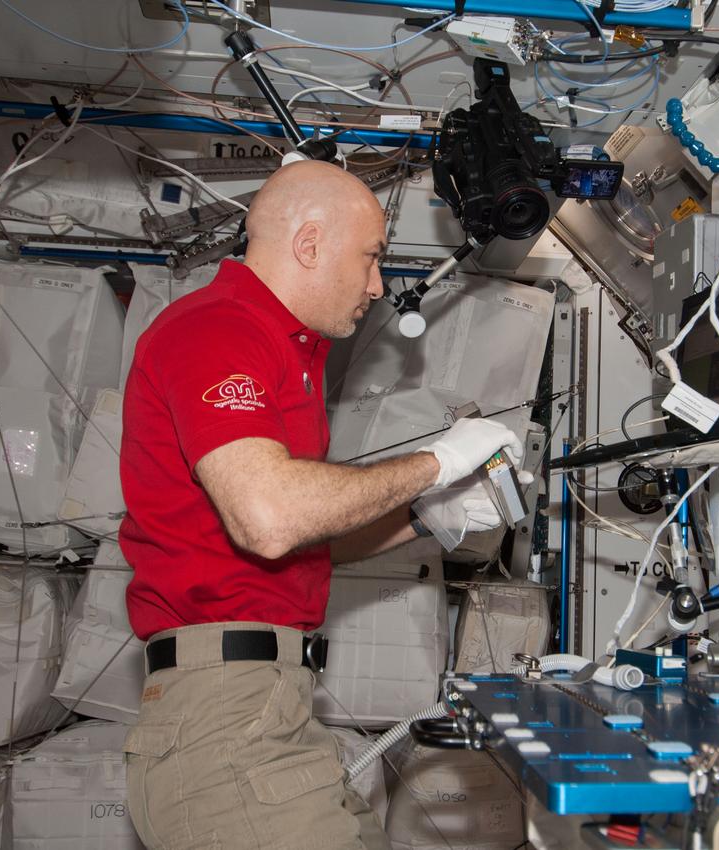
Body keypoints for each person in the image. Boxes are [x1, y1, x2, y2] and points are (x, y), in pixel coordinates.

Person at [118, 160, 523, 850]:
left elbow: (303, 535)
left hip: (272, 702)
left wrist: (430, 515)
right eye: (371, 258)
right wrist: (438, 462)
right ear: (309, 243)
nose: (378, 285)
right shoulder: (218, 329)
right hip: (227, 714)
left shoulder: (283, 351)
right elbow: (271, 518)